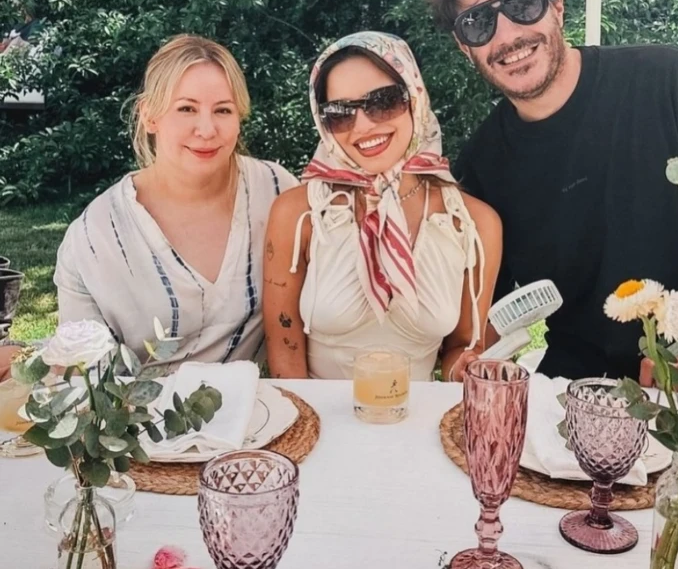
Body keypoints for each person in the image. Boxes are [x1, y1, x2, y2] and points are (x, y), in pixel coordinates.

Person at [427, 0, 678, 382]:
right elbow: (486, 317)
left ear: (557, 4)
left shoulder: (668, 81)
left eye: (521, 4)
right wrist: (468, 362)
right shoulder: (481, 165)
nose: (507, 35)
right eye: (478, 23)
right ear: (464, 46)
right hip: (578, 389)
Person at [263, 31, 502, 381]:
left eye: (384, 101)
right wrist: (304, 416)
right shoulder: (300, 214)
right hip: (314, 412)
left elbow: (461, 346)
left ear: (415, 97)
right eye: (340, 112)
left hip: (418, 413)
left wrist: (464, 369)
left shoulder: (473, 224)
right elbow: (284, 347)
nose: (363, 125)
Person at [54, 35, 298, 365]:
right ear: (149, 116)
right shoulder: (95, 239)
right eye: (186, 108)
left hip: (254, 398)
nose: (207, 129)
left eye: (223, 110)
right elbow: (84, 374)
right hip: (139, 400)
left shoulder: (276, 192)